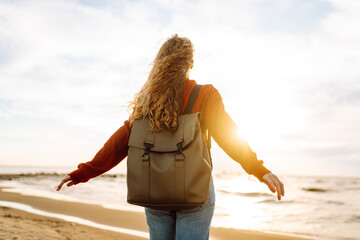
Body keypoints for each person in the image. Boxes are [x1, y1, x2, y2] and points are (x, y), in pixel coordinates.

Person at [57, 34, 285, 240]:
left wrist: (85, 172)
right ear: (190, 64)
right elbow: (228, 137)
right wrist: (258, 170)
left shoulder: (147, 101)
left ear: (159, 63)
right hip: (195, 190)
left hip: (154, 189)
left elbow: (122, 140)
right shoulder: (205, 95)